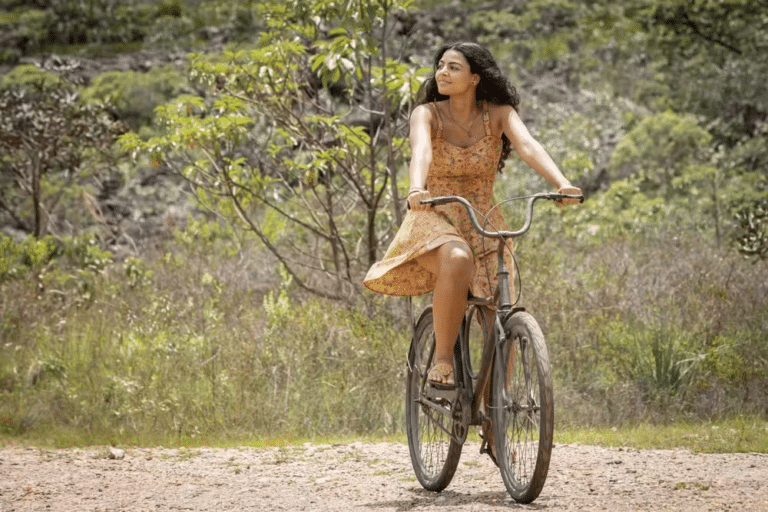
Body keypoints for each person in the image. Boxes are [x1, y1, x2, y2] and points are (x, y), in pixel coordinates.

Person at [364, 42, 581, 390]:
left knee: (501, 313)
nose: (442, 73)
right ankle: (443, 362)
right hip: (433, 211)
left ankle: (498, 411)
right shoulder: (428, 114)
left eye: (453, 67)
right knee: (457, 257)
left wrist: (562, 183)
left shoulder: (499, 113)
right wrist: (416, 189)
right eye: (441, 65)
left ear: (475, 78)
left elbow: (527, 145)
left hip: (484, 216)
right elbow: (421, 151)